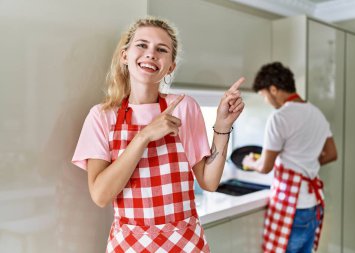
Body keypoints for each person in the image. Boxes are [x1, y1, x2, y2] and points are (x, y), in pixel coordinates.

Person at [72, 17, 245, 253]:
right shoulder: (102, 117)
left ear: (171, 66)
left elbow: (209, 181)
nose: (151, 54)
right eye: (142, 45)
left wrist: (223, 125)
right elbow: (101, 195)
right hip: (130, 245)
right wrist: (144, 136)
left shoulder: (184, 107)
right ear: (125, 55)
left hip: (185, 244)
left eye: (161, 49)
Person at [242, 62, 337, 253]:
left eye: (264, 96)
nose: (266, 101)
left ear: (273, 89)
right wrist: (306, 164)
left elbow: (265, 166)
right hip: (313, 205)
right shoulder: (317, 114)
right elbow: (331, 154)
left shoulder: (280, 117)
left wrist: (249, 162)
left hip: (292, 206)